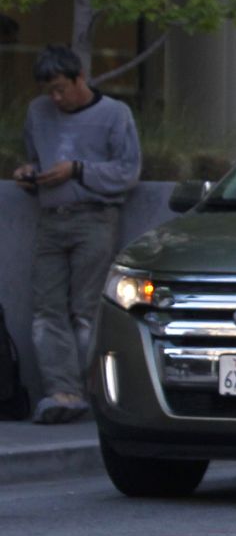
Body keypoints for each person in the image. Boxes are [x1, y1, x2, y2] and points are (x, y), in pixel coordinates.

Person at [12, 46, 142, 424]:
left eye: (60, 89)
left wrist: (78, 171)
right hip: (51, 215)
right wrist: (30, 175)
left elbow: (127, 171)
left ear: (79, 78)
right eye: (48, 91)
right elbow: (37, 156)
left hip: (96, 216)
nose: (55, 98)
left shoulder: (115, 114)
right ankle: (61, 391)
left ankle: (91, 389)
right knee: (46, 309)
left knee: (85, 309)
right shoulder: (39, 113)